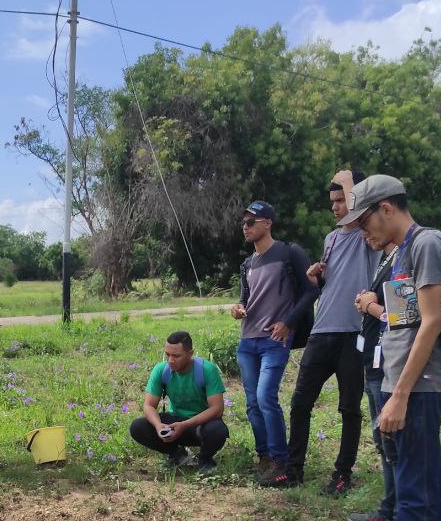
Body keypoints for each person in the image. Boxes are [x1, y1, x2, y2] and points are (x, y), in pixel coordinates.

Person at [337, 175, 441, 521]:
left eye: (363, 219)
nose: (360, 231)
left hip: (418, 387)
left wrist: (399, 395)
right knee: (426, 480)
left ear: (387, 208)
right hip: (404, 378)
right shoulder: (402, 252)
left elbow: (430, 324)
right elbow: (401, 322)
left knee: (412, 491)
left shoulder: (427, 244)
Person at [280, 170, 377, 494]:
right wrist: (316, 277)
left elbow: (363, 209)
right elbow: (330, 283)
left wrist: (351, 179)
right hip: (322, 333)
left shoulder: (369, 234)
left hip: (354, 333)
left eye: (341, 200)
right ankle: (293, 470)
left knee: (349, 408)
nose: (335, 207)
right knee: (299, 404)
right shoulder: (331, 238)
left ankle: (342, 474)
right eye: (332, 202)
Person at [228, 200, 316, 483]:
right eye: (243, 223)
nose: (245, 227)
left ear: (268, 222)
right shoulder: (247, 264)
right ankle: (264, 456)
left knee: (267, 397)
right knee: (252, 403)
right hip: (247, 340)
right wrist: (238, 308)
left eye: (251, 222)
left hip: (274, 339)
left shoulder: (289, 253)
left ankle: (281, 459)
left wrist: (288, 322)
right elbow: (246, 299)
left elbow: (310, 292)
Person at [348, 229, 400, 521]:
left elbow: (400, 317)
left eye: (368, 224)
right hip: (373, 362)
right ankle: (387, 511)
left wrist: (371, 307)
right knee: (383, 443)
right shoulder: (387, 260)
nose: (365, 233)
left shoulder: (404, 260)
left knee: (395, 446)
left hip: (390, 370)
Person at [129, 330, 228, 475]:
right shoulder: (161, 370)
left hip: (200, 425)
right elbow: (149, 405)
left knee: (217, 430)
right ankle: (178, 454)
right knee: (138, 426)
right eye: (167, 354)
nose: (170, 360)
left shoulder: (207, 370)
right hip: (175, 422)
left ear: (190, 353)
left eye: (176, 356)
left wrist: (185, 425)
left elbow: (217, 409)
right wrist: (158, 426)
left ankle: (205, 458)